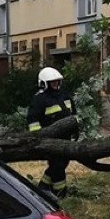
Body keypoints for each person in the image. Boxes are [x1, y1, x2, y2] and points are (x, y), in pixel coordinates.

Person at [27, 67, 76, 197]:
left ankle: (43, 188)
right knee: (58, 166)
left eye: (57, 81)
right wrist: (39, 138)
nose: (55, 84)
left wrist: (76, 130)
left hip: (66, 139)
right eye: (52, 82)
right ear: (44, 83)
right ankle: (60, 193)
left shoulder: (65, 96)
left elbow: (73, 115)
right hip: (50, 141)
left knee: (62, 163)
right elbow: (33, 121)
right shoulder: (39, 100)